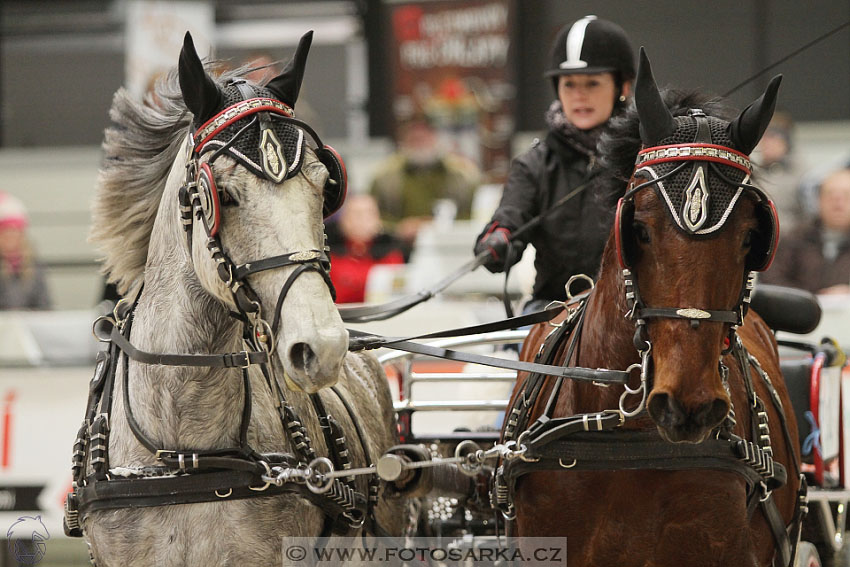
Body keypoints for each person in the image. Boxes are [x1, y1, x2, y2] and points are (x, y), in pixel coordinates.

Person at [473, 15, 635, 311]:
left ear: (622, 86)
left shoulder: (645, 157)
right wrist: (497, 240)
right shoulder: (534, 164)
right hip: (554, 307)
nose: (579, 95)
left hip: (635, 312)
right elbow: (510, 217)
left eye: (592, 83)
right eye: (569, 84)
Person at [369, 116, 481, 259]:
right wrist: (399, 229)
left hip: (451, 254)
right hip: (398, 255)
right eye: (413, 132)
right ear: (403, 137)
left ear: (436, 136)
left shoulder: (463, 177)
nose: (419, 136)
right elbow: (370, 221)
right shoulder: (384, 178)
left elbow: (474, 219)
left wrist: (442, 229)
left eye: (426, 131)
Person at [760, 166, 850, 295]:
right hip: (800, 312)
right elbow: (772, 280)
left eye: (846, 196)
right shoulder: (794, 238)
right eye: (830, 195)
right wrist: (810, 298)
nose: (837, 203)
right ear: (818, 200)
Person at [326, 193, 406, 304]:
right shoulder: (328, 252)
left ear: (378, 220)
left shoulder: (390, 250)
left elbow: (396, 291)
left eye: (370, 214)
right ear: (343, 220)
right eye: (356, 214)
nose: (363, 220)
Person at [752, 111, 808, 233]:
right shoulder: (752, 174)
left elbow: (809, 216)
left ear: (786, 141)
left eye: (773, 137)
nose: (766, 143)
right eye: (764, 137)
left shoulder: (803, 176)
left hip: (792, 243)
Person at [0, 192, 51, 310]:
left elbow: (45, 305)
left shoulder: (34, 264)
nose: (11, 237)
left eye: (15, 232)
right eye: (6, 232)